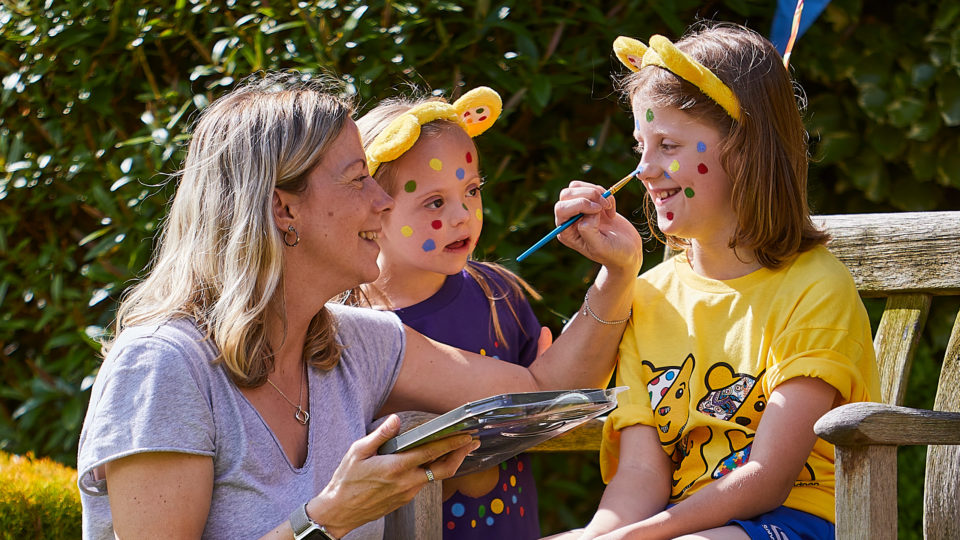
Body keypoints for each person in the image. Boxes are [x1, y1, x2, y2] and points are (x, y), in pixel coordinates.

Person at [76, 72, 643, 540]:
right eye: (358, 181)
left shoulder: (359, 344)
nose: (381, 202)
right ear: (283, 210)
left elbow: (541, 392)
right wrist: (328, 519)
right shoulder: (162, 366)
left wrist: (615, 273)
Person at [545, 23, 881, 540]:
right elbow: (639, 474)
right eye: (640, 145)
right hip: (683, 528)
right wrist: (598, 536)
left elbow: (768, 479)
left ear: (745, 149)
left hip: (799, 520)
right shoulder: (649, 294)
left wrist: (644, 536)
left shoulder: (814, 289)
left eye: (668, 144)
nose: (644, 169)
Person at [348, 87, 545, 539]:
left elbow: (551, 399)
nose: (463, 215)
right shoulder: (345, 322)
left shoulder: (497, 294)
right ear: (374, 206)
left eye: (472, 190)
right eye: (435, 202)